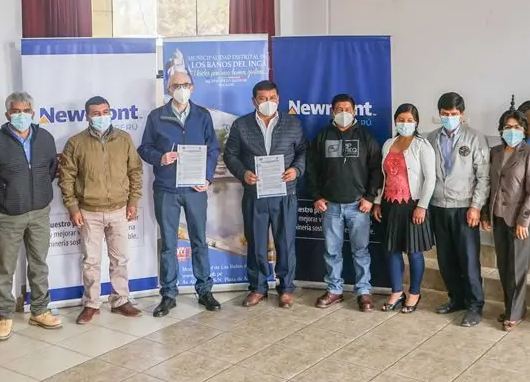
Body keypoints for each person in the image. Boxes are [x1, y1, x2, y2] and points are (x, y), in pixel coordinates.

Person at [0, 91, 63, 341]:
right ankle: (4, 316)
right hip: (8, 216)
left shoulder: (45, 138)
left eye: (25, 111)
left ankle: (40, 310)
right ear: (7, 114)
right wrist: (3, 199)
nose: (21, 115)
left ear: (33, 113)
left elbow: (51, 170)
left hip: (40, 212)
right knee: (5, 268)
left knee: (39, 264)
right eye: (16, 111)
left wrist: (38, 193)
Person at [139, 71, 222, 317]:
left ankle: (204, 290)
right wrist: (160, 157)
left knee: (199, 240)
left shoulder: (203, 115)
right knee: (169, 243)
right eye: (176, 85)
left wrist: (207, 177)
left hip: (195, 188)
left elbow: (213, 149)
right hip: (167, 188)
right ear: (168, 89)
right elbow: (144, 148)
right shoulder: (157, 117)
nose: (181, 89)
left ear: (192, 88)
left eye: (185, 84)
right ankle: (168, 294)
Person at [58, 96, 143, 325]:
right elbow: (66, 178)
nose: (101, 117)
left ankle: (120, 300)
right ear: (87, 116)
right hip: (89, 211)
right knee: (91, 261)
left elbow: (135, 171)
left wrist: (133, 201)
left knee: (120, 259)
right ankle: (91, 304)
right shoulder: (76, 143)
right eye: (96, 113)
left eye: (105, 112)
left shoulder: (124, 139)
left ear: (110, 112)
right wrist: (73, 207)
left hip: (119, 209)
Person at [223, 80, 307, 309]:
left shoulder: (293, 123)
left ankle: (286, 289)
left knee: (286, 243)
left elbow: (302, 150)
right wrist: (243, 173)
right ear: (254, 101)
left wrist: (296, 170)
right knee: (256, 242)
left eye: (272, 98)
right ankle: (258, 287)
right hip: (255, 194)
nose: (268, 102)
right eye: (262, 98)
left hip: (285, 193)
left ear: (278, 99)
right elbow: (230, 155)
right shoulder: (241, 125)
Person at [307, 94, 383, 312]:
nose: (343, 113)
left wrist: (370, 198)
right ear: (332, 112)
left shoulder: (366, 136)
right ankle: (334, 290)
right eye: (339, 109)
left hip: (359, 206)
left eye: (347, 109)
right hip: (330, 205)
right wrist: (316, 196)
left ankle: (364, 292)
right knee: (332, 251)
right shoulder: (322, 136)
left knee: (361, 251)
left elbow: (377, 170)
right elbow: (311, 169)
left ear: (354, 111)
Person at [428, 92, 491, 327]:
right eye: (445, 114)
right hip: (438, 206)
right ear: (439, 114)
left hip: (465, 208)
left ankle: (475, 305)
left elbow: (483, 177)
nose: (449, 117)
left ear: (462, 114)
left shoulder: (475, 138)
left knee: (468, 260)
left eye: (454, 114)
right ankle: (456, 299)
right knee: (446, 259)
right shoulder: (431, 138)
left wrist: (476, 207)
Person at [481, 110, 530, 331]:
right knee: (504, 267)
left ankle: (513, 314)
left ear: (524, 130)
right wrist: (485, 214)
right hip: (498, 216)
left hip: (520, 220)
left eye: (517, 127)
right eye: (508, 127)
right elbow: (489, 184)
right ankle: (513, 308)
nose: (512, 131)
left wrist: (524, 221)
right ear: (501, 129)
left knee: (517, 269)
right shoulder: (495, 151)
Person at [372, 104, 436, 313]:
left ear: (416, 122)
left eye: (409, 120)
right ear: (395, 121)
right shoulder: (388, 144)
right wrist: (378, 201)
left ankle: (414, 293)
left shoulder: (422, 146)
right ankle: (397, 292)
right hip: (389, 204)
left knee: (414, 251)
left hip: (412, 205)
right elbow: (383, 176)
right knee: (391, 250)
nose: (405, 123)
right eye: (401, 120)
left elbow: (430, 179)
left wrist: (422, 206)